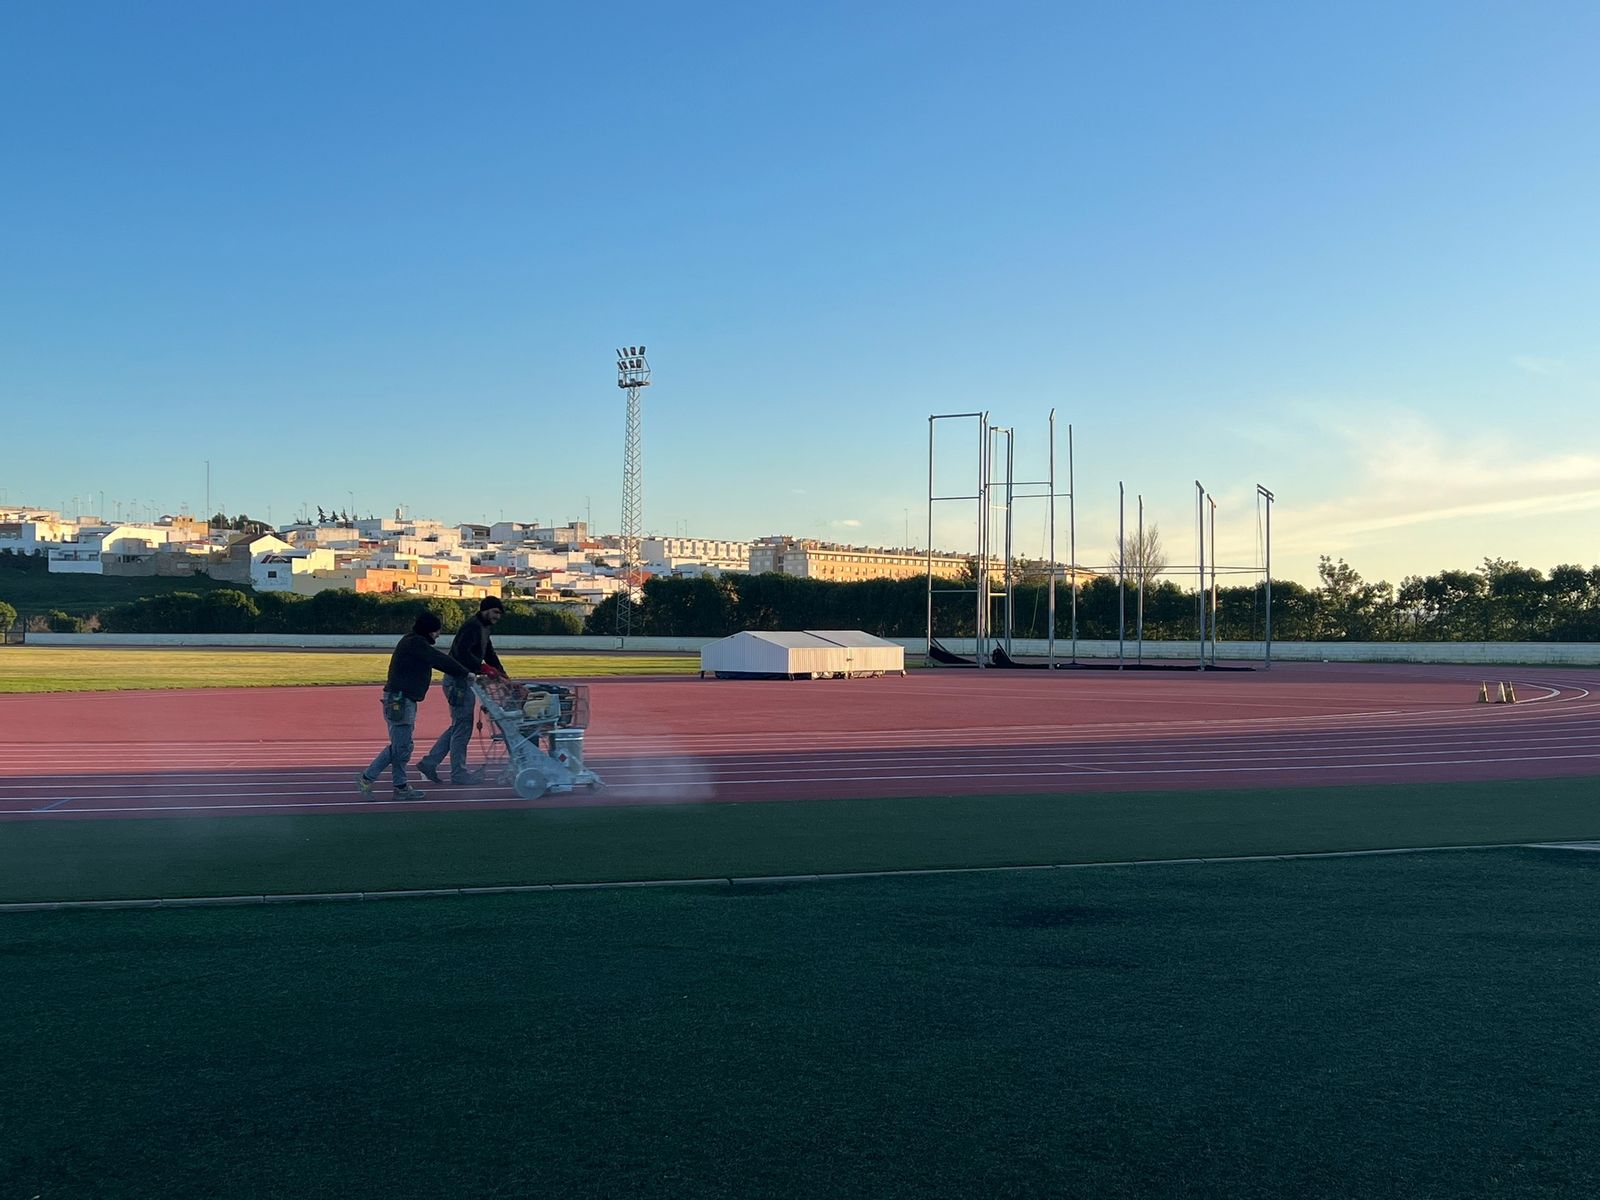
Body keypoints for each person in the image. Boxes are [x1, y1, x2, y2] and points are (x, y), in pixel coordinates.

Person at [357, 612, 474, 801]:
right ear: (429, 630)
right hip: (400, 701)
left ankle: (400, 787)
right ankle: (367, 778)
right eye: (437, 631)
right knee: (401, 747)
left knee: (402, 747)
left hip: (402, 699)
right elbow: (439, 660)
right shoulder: (417, 644)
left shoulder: (412, 641)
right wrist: (464, 673)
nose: (438, 635)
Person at [417, 595, 507, 785]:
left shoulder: (484, 627)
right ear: (485, 609)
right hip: (458, 681)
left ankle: (430, 762)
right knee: (462, 728)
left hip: (463, 681)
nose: (498, 616)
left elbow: (489, 653)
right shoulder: (472, 626)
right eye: (495, 612)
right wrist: (482, 667)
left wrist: (502, 674)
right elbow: (461, 654)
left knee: (459, 726)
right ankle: (458, 773)